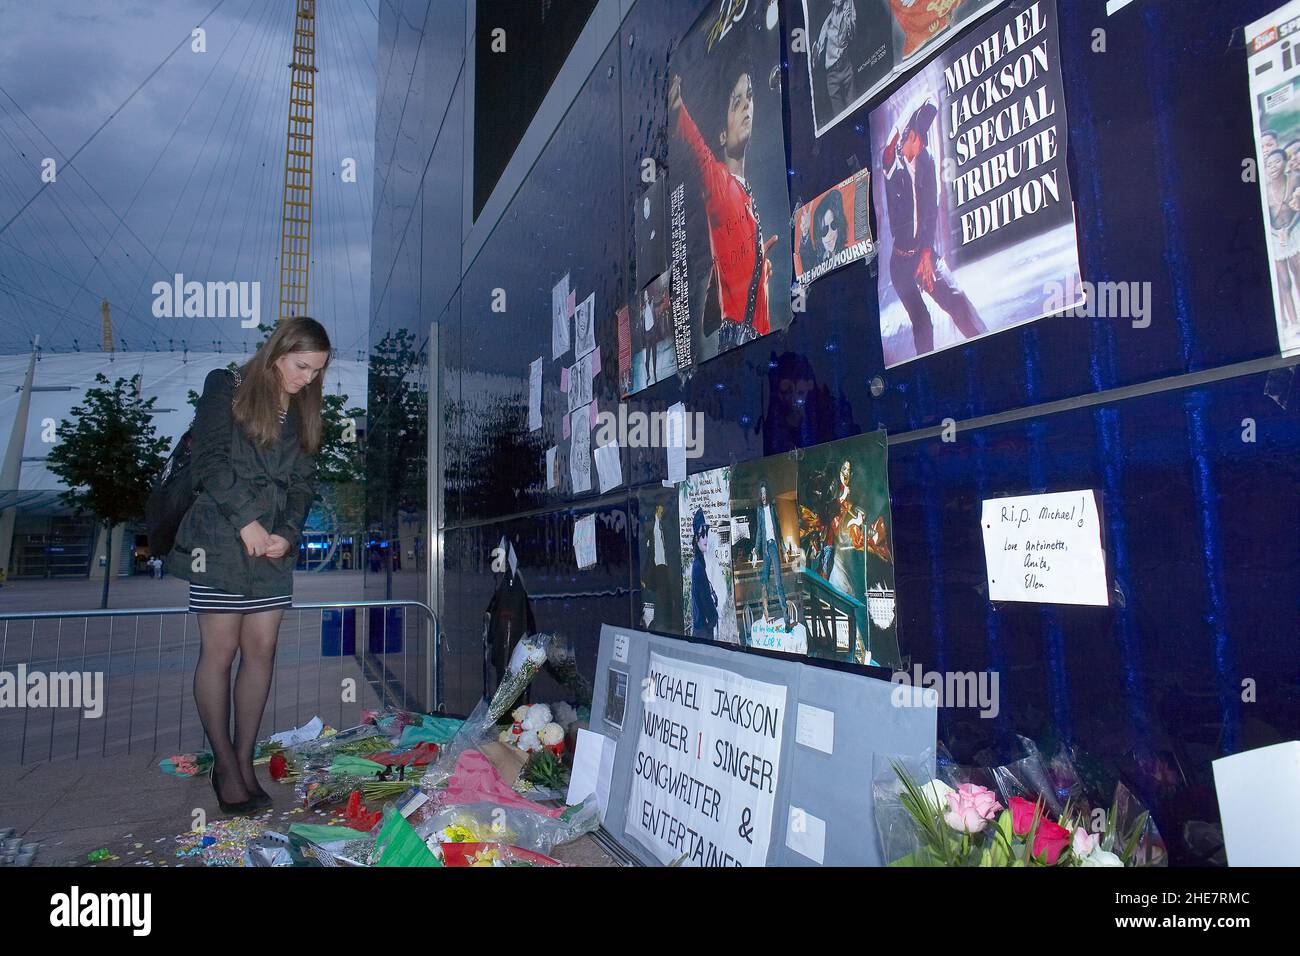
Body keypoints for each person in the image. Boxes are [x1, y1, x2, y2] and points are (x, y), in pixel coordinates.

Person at [166, 317, 329, 815]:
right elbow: (210, 460)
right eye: (302, 366)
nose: (308, 378)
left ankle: (242, 759)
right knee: (220, 651)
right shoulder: (227, 384)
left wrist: (289, 533)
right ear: (278, 352)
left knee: (262, 649)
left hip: (272, 550)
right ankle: (224, 763)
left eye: (317, 371)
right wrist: (247, 522)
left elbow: (303, 483)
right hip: (219, 541)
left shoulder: (301, 408)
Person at [669, 67, 780, 352]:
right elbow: (698, 150)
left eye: (749, 97)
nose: (746, 106)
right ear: (721, 135)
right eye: (736, 102)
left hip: (754, 337)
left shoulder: (745, 192)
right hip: (739, 340)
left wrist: (758, 266)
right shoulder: (719, 181)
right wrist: (678, 107)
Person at [881, 98, 987, 357]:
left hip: (924, 253)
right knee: (922, 323)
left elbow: (931, 209)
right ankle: (925, 374)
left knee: (957, 298)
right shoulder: (892, 164)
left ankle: (989, 349)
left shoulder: (927, 159)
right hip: (900, 264)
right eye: (918, 141)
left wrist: (927, 253)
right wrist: (909, 111)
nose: (920, 149)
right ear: (910, 134)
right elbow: (888, 148)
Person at [752, 480, 791, 630]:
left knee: (778, 584)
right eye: (760, 493)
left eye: (764, 493)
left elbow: (779, 531)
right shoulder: (759, 511)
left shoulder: (772, 508)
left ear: (767, 493)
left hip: (774, 547)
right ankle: (766, 615)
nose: (763, 496)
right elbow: (759, 533)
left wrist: (784, 549)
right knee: (764, 582)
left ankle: (786, 620)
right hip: (765, 549)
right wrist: (756, 550)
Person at [814, 0, 858, 116]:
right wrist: (815, 54)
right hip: (832, 74)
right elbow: (817, 52)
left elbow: (853, 35)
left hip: (846, 66)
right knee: (839, 115)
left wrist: (849, 20)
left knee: (854, 107)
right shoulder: (828, 22)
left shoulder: (848, 11)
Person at [690, 507, 719, 640]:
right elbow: (704, 599)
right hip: (703, 630)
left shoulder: (699, 563)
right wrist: (713, 618)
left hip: (702, 627)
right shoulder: (698, 566)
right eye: (702, 535)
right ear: (696, 538)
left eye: (706, 534)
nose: (705, 538)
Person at [814, 188, 849, 263]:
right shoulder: (817, 262)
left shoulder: (848, 254)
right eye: (824, 230)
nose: (830, 235)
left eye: (834, 225)